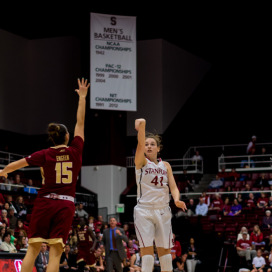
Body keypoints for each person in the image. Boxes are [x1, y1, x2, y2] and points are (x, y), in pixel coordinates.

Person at [0, 78, 89, 272]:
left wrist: (3, 171)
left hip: (45, 202)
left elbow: (19, 163)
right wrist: (82, 97)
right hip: (65, 203)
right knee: (56, 252)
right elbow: (80, 122)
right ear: (67, 137)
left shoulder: (45, 154)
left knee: (32, 249)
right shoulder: (75, 150)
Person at [133, 118, 187, 272]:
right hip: (144, 210)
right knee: (147, 254)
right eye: (147, 144)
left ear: (158, 148)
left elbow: (174, 187)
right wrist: (142, 128)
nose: (149, 146)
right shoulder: (141, 162)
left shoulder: (166, 165)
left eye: (152, 144)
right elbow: (140, 144)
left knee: (165, 255)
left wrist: (176, 200)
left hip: (163, 210)